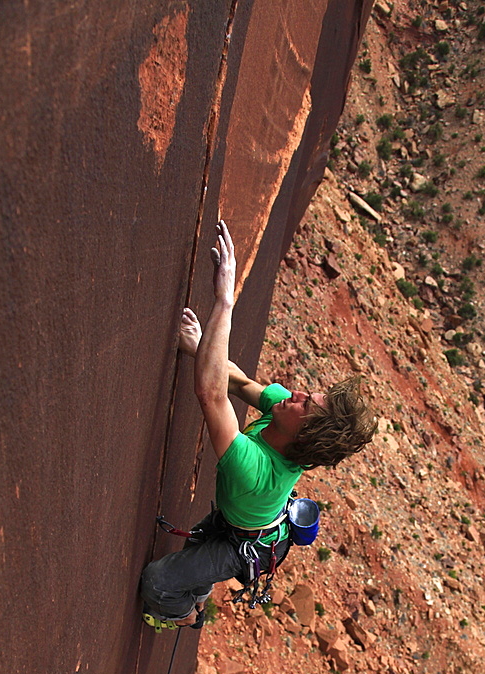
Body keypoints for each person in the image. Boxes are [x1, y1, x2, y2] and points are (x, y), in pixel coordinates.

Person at [140, 221, 375, 630]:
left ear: (301, 434)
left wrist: (224, 301)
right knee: (201, 552)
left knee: (158, 581)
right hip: (246, 523)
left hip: (241, 540)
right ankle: (198, 586)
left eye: (306, 405)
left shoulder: (257, 473)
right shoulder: (283, 414)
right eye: (309, 394)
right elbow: (240, 382)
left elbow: (211, 394)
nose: (297, 394)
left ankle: (184, 615)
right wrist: (199, 346)